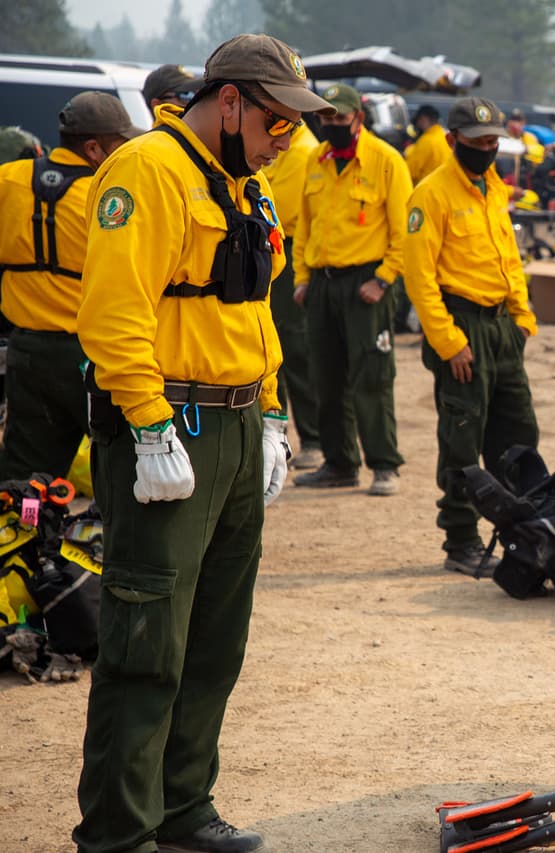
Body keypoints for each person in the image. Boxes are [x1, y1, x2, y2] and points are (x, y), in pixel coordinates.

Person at [72, 33, 334, 853]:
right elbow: (114, 311)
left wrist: (270, 414)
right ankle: (120, 829)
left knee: (216, 636)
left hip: (232, 423)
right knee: (147, 639)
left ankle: (185, 803)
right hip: (167, 427)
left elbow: (252, 313)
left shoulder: (241, 185)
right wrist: (149, 425)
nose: (282, 139)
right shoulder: (148, 169)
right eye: (276, 123)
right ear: (230, 103)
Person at [403, 97, 539, 576]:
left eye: (493, 141)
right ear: (452, 140)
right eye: (479, 142)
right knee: (462, 438)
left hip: (503, 328)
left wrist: (523, 320)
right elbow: (419, 277)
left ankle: (521, 532)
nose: (488, 149)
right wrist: (448, 341)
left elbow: (509, 259)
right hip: (462, 329)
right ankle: (460, 538)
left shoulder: (494, 189)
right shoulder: (431, 194)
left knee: (519, 435)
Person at [0, 93, 141, 481]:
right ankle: (106, 539)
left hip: (26, 353)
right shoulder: (108, 199)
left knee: (24, 474)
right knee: (123, 466)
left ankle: (20, 538)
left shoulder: (7, 180)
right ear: (94, 148)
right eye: (119, 144)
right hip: (91, 356)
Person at [291, 83, 412, 496]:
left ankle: (384, 465)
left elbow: (405, 233)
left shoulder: (386, 161)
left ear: (358, 118)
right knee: (325, 377)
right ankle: (339, 463)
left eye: (340, 118)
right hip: (322, 286)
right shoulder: (314, 159)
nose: (332, 126)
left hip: (366, 286)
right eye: (325, 118)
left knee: (372, 377)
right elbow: (303, 227)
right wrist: (302, 279)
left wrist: (383, 280)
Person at [260, 117, 323, 469]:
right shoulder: (285, 148)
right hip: (274, 250)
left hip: (287, 249)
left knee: (294, 351)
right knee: (274, 351)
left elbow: (275, 210)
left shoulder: (301, 152)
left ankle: (311, 438)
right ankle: (277, 433)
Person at [405, 104, 451, 185]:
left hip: (428, 190)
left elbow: (409, 171)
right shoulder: (444, 136)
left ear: (423, 120)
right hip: (445, 186)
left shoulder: (426, 141)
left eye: (418, 121)